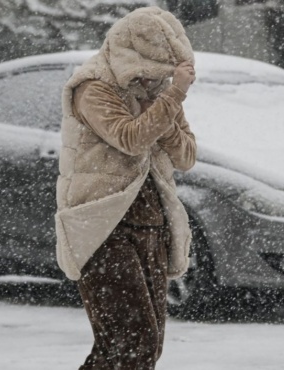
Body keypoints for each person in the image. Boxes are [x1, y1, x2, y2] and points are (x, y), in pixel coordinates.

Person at [54, 7, 197, 370]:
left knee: (133, 347)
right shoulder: (93, 88)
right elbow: (129, 138)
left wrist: (163, 110)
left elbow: (186, 156)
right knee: (134, 342)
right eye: (151, 72)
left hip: (151, 223)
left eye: (161, 75)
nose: (154, 82)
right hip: (101, 226)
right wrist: (170, 99)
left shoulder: (159, 95)